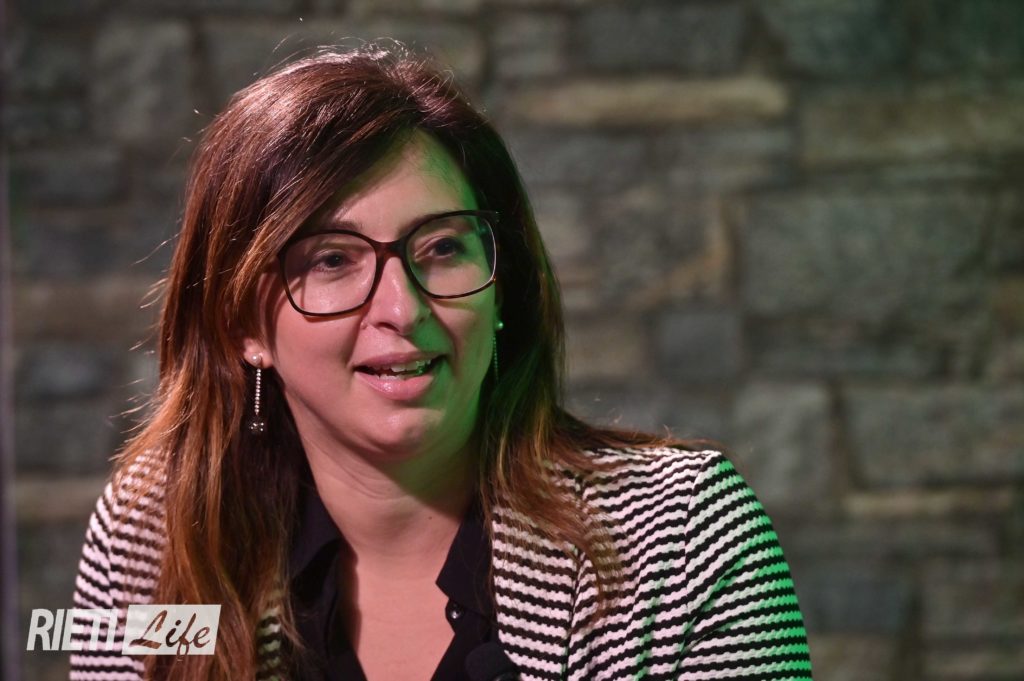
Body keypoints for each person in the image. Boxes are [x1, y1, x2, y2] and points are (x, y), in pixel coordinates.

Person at [69, 42, 813, 681]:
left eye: (443, 247)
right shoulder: (147, 544)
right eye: (332, 259)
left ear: (500, 285)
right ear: (242, 323)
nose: (402, 309)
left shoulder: (681, 536)